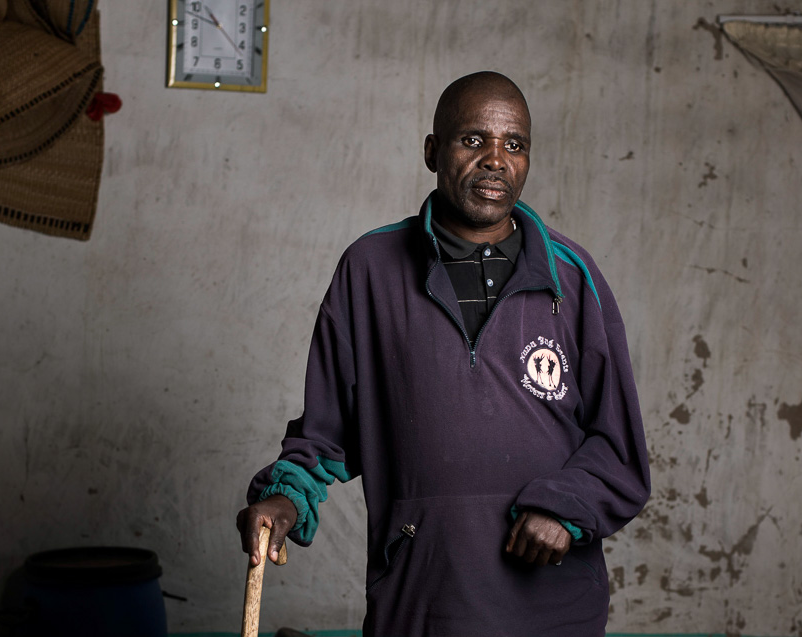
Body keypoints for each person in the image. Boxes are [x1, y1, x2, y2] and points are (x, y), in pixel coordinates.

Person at [237, 71, 650, 637]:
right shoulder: (370, 268)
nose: (496, 160)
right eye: (473, 140)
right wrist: (285, 497)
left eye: (515, 145)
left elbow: (620, 448)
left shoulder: (574, 278)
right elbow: (326, 433)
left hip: (553, 608)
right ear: (433, 150)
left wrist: (564, 504)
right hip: (421, 600)